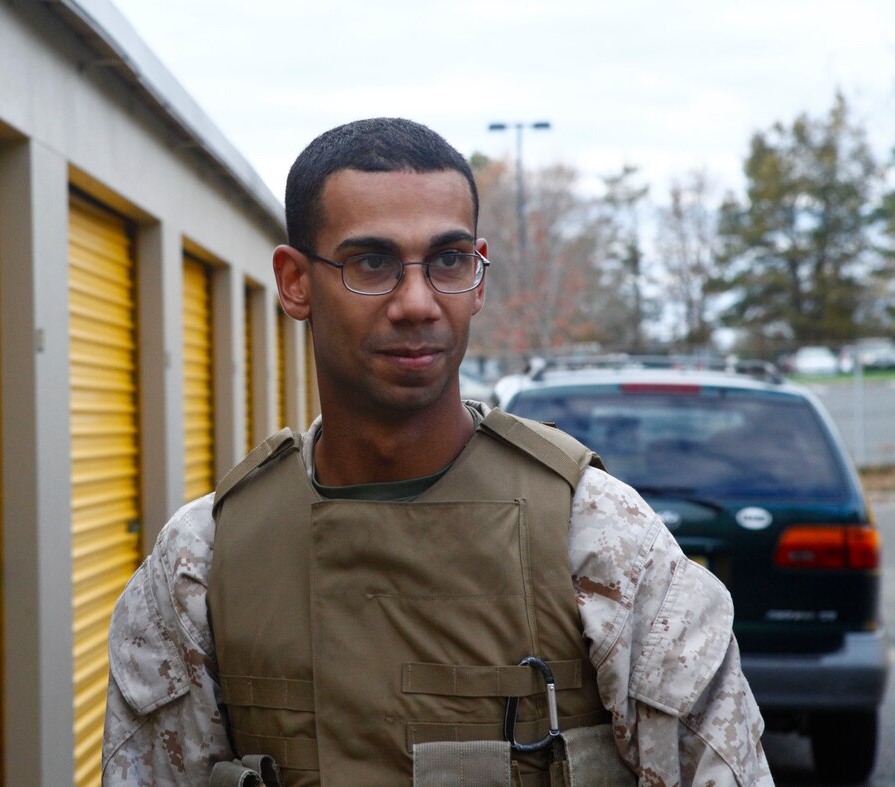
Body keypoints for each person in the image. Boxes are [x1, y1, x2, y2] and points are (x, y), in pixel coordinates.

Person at [102, 118, 772, 786]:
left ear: (478, 276)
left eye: (448, 260)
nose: (418, 302)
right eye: (373, 263)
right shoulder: (203, 562)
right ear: (295, 281)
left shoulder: (599, 538)